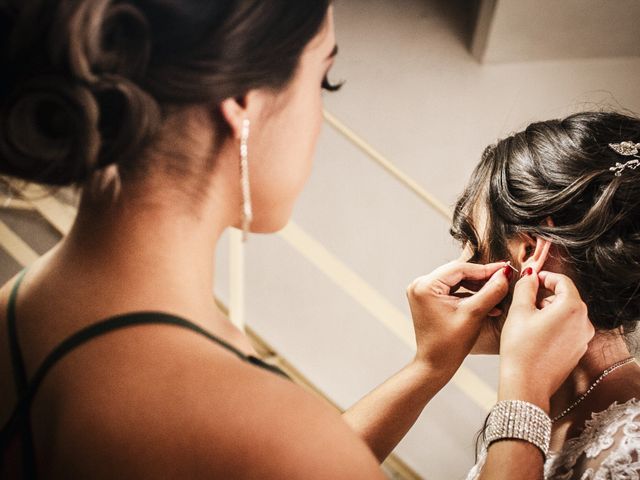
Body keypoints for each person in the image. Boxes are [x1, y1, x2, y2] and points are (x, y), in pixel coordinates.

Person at [0, 1, 593, 478]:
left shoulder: (21, 308)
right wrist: (525, 392)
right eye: (324, 80)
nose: (319, 118)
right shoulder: (255, 422)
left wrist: (428, 366)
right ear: (244, 103)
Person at [452, 112, 640, 479]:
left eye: (472, 244)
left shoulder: (632, 446)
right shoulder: (548, 408)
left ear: (530, 253)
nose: (455, 273)